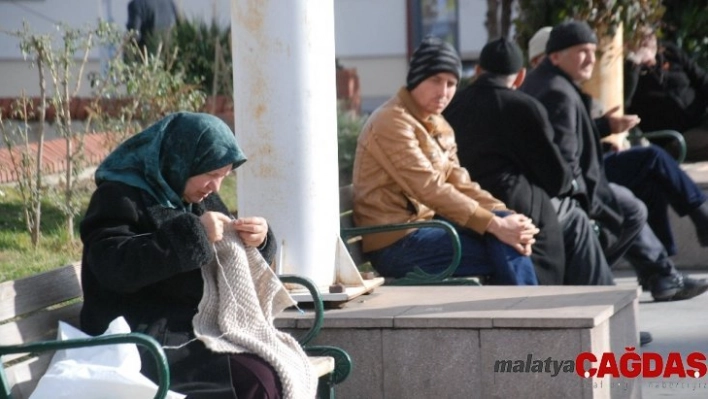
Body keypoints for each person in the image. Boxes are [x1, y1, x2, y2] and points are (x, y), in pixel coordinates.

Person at [80, 112, 294, 398]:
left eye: (223, 176)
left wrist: (258, 240)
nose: (216, 187)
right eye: (210, 174)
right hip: (142, 337)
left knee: (278, 363)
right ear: (181, 159)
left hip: (191, 327)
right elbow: (114, 268)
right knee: (258, 378)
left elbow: (227, 258)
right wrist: (193, 235)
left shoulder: (193, 196)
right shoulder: (118, 197)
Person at [520, 21, 708, 302]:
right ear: (552, 56)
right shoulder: (556, 90)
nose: (591, 59)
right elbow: (563, 162)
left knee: (642, 188)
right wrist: (594, 200)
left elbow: (565, 140)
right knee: (635, 193)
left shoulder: (555, 84)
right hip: (565, 195)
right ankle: (649, 273)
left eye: (593, 51)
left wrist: (605, 128)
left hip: (580, 178)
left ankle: (661, 273)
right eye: (582, 51)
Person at [352, 36, 539, 285]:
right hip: (395, 243)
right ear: (416, 78)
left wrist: (508, 217)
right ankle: (526, 316)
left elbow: (460, 183)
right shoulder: (392, 122)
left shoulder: (436, 122)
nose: (444, 92)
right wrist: (495, 225)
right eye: (435, 80)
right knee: (504, 246)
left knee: (506, 236)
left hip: (426, 231)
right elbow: (429, 188)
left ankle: (519, 315)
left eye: (451, 83)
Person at [444, 37, 614, 286]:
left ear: (478, 71)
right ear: (521, 76)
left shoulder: (451, 106)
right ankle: (603, 309)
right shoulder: (524, 107)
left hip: (460, 209)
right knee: (576, 219)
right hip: (514, 208)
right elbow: (556, 179)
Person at [625, 29, 708, 162]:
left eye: (650, 35)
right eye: (641, 38)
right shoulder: (627, 71)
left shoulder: (669, 51)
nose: (648, 40)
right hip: (674, 138)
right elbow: (625, 103)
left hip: (701, 120)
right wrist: (635, 63)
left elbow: (701, 79)